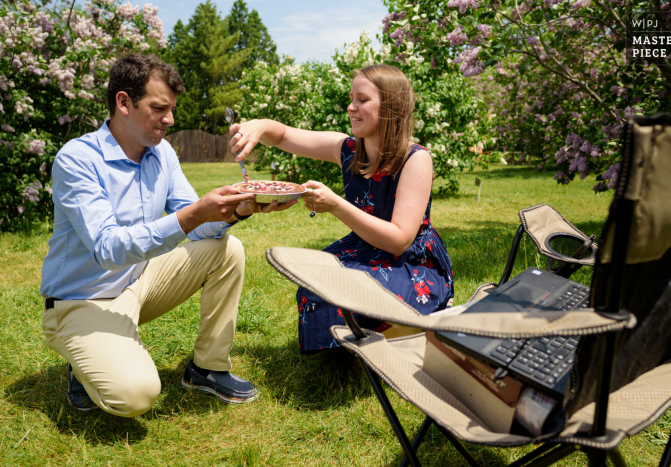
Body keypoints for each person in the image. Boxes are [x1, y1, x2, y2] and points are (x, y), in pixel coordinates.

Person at [39, 54, 295, 417]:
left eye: (172, 109)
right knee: (136, 395)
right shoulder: (77, 159)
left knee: (227, 249)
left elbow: (199, 228)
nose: (170, 119)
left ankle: (208, 367)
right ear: (123, 102)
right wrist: (190, 215)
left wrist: (237, 210)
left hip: (138, 283)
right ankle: (84, 358)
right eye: (160, 108)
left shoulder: (162, 154)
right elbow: (108, 249)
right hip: (81, 301)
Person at [227, 64, 454, 353]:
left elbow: (399, 240)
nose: (351, 107)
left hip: (410, 261)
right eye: (351, 99)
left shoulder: (415, 159)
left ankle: (392, 333)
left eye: (362, 100)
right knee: (318, 281)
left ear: (391, 108)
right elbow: (284, 136)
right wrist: (257, 125)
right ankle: (348, 347)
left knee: (358, 292)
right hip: (365, 246)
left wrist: (336, 205)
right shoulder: (347, 149)